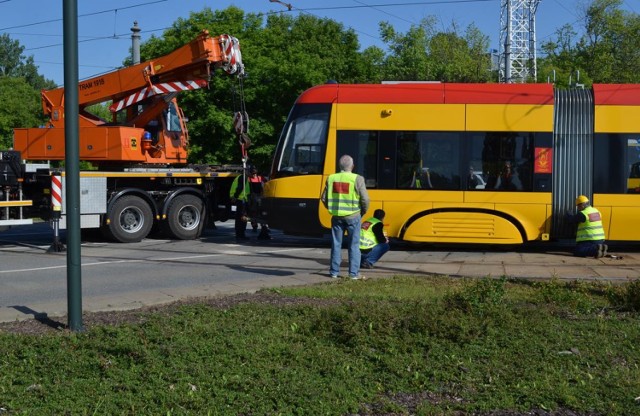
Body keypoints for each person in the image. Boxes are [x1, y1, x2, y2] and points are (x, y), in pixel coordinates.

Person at [321, 154, 370, 280]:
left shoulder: (331, 178)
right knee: (353, 245)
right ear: (352, 166)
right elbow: (365, 199)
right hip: (353, 216)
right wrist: (362, 212)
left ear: (339, 166)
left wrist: (332, 208)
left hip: (336, 217)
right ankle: (353, 274)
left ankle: (334, 272)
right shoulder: (357, 179)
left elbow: (324, 198)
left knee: (336, 244)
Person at [247, 166, 271, 240]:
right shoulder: (249, 179)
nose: (254, 174)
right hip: (252, 196)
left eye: (255, 172)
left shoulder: (260, 178)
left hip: (259, 196)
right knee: (253, 212)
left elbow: (267, 183)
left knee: (261, 211)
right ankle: (254, 226)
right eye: (253, 172)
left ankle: (264, 226)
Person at [229, 171, 250, 240]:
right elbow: (240, 187)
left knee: (239, 217)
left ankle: (239, 233)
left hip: (240, 199)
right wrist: (235, 196)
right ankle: (241, 234)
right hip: (242, 199)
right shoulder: (243, 177)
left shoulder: (239, 177)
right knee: (243, 217)